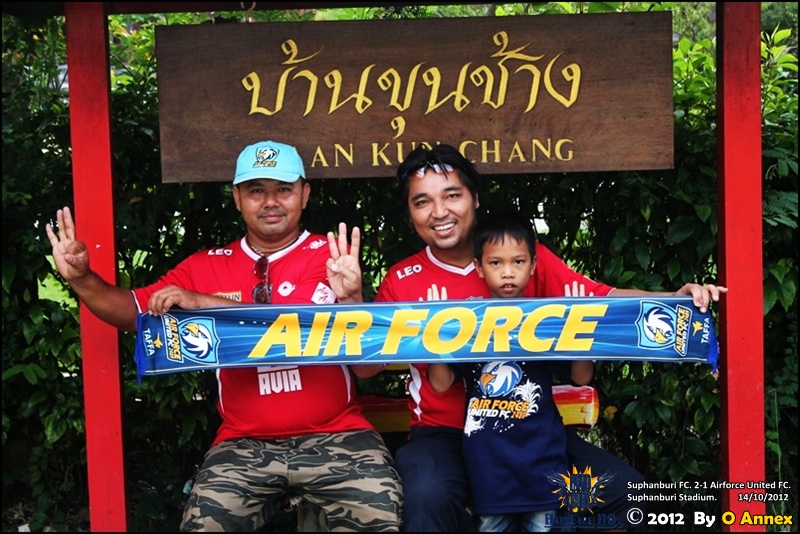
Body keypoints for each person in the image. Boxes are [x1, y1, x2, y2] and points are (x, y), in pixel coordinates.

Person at [46, 140, 402, 532]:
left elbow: (290, 324)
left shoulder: (330, 255)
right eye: (256, 190)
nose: (270, 201)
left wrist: (198, 302)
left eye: (283, 189)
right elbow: (133, 311)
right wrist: (83, 279)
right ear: (236, 198)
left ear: (304, 195)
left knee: (379, 518)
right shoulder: (204, 266)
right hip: (243, 442)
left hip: (338, 434)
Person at [373, 143, 727, 532]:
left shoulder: (518, 257)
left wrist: (675, 299)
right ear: (410, 212)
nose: (440, 211)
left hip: (531, 437)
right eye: (422, 202)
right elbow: (364, 368)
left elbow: (603, 299)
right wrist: (354, 298)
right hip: (445, 437)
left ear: (474, 198)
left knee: (630, 496)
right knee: (428, 500)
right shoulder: (401, 281)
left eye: (452, 195)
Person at [427, 211, 595, 532]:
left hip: (544, 462)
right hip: (488, 468)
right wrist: (436, 333)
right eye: (496, 263)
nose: (507, 272)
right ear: (479, 267)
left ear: (533, 265)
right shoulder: (470, 321)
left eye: (518, 262)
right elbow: (440, 382)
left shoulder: (544, 320)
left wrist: (580, 328)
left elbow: (581, 377)